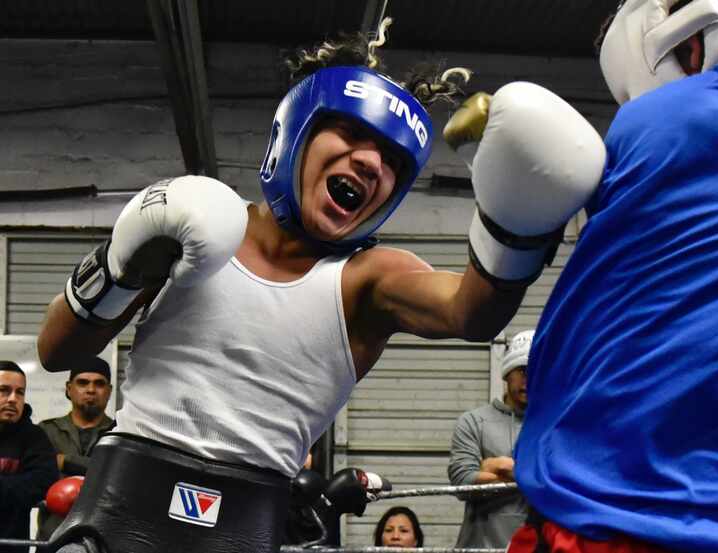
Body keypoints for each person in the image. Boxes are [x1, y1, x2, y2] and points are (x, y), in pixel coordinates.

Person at [35, 16, 605, 553]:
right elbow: (57, 351)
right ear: (294, 136)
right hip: (118, 512)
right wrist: (119, 263)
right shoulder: (193, 224)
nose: (369, 163)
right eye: (352, 134)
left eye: (391, 161)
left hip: (244, 525)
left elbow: (470, 312)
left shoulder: (368, 279)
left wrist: (517, 226)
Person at [454, 1, 718, 552]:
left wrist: (501, 236)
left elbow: (476, 314)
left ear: (688, 44)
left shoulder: (657, 122)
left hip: (615, 520)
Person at [448, 330, 532, 549]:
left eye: (538, 371)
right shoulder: (474, 421)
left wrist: (498, 465)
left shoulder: (554, 426)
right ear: (507, 373)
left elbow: (560, 482)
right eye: (522, 370)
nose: (529, 379)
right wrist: (531, 477)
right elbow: (462, 480)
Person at [37, 358, 114, 540]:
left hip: (103, 538)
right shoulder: (46, 431)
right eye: (82, 382)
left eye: (99, 384)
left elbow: (116, 474)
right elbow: (37, 478)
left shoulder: (121, 435)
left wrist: (65, 461)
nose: (90, 390)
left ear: (109, 391)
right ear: (69, 388)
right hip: (52, 537)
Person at [0, 361, 59, 552]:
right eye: (3, 390)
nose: (12, 399)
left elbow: (43, 481)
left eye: (20, 392)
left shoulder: (34, 437)